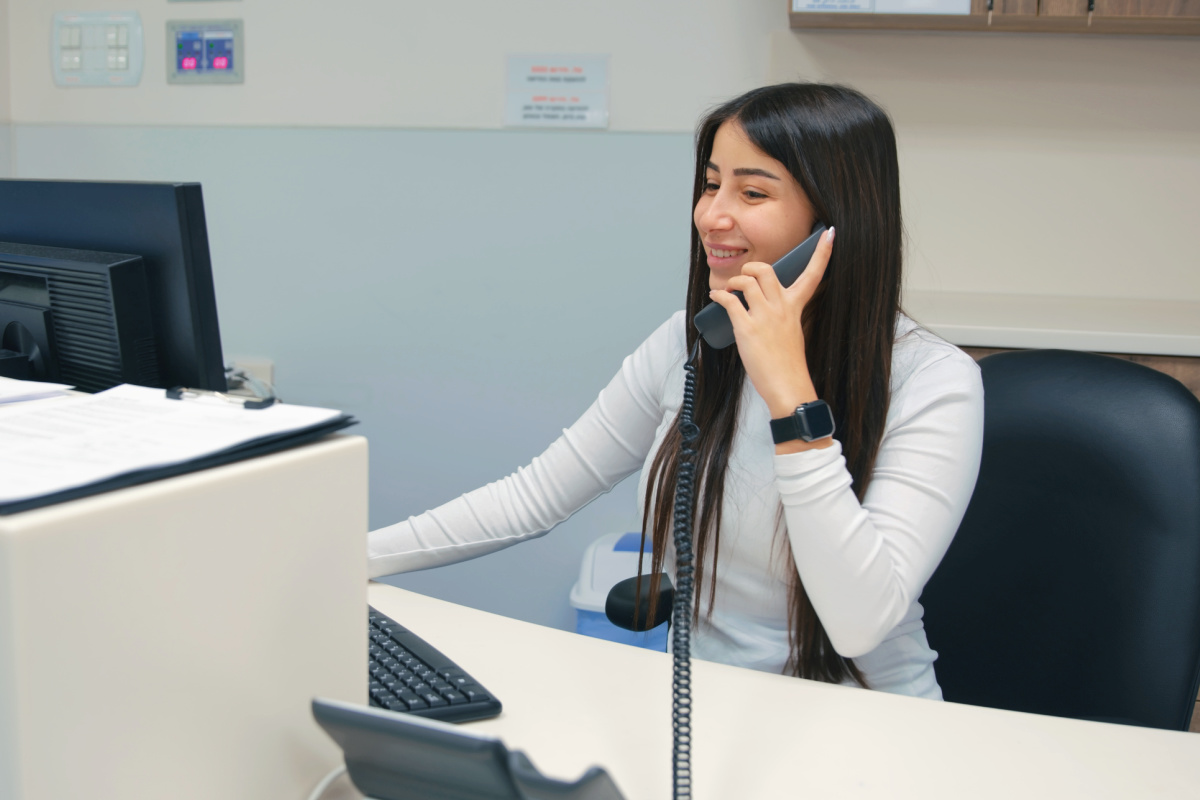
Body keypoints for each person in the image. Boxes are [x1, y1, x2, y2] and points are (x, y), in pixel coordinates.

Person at [368, 82, 984, 699]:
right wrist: (346, 559)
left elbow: (858, 624)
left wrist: (789, 394)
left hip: (869, 722)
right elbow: (533, 496)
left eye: (753, 192)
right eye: (712, 184)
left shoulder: (933, 381)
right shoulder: (690, 346)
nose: (712, 215)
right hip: (706, 708)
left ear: (834, 223)